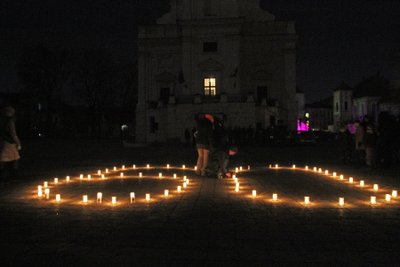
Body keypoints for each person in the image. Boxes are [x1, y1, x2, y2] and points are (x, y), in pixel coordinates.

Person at [0, 106, 22, 180]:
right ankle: (13, 174)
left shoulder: (3, 121)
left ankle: (8, 174)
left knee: (6, 158)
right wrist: (18, 143)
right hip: (9, 142)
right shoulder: (10, 122)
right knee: (14, 158)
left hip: (4, 141)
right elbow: (13, 133)